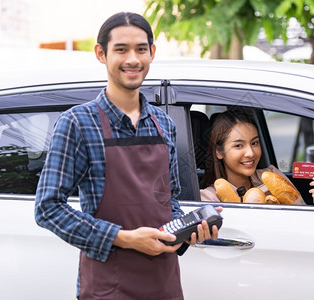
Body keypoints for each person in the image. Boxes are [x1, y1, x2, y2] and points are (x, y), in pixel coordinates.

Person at [34, 12, 219, 300]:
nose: (133, 59)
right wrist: (125, 239)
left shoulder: (164, 123)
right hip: (109, 287)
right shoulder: (78, 124)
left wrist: (187, 232)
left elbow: (168, 200)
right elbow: (47, 208)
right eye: (121, 49)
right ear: (101, 53)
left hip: (164, 284)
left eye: (141, 49)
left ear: (152, 53)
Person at [200, 109, 314, 205]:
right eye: (239, 146)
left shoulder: (272, 175)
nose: (250, 153)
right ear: (219, 152)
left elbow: (302, 218)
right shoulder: (208, 198)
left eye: (254, 143)